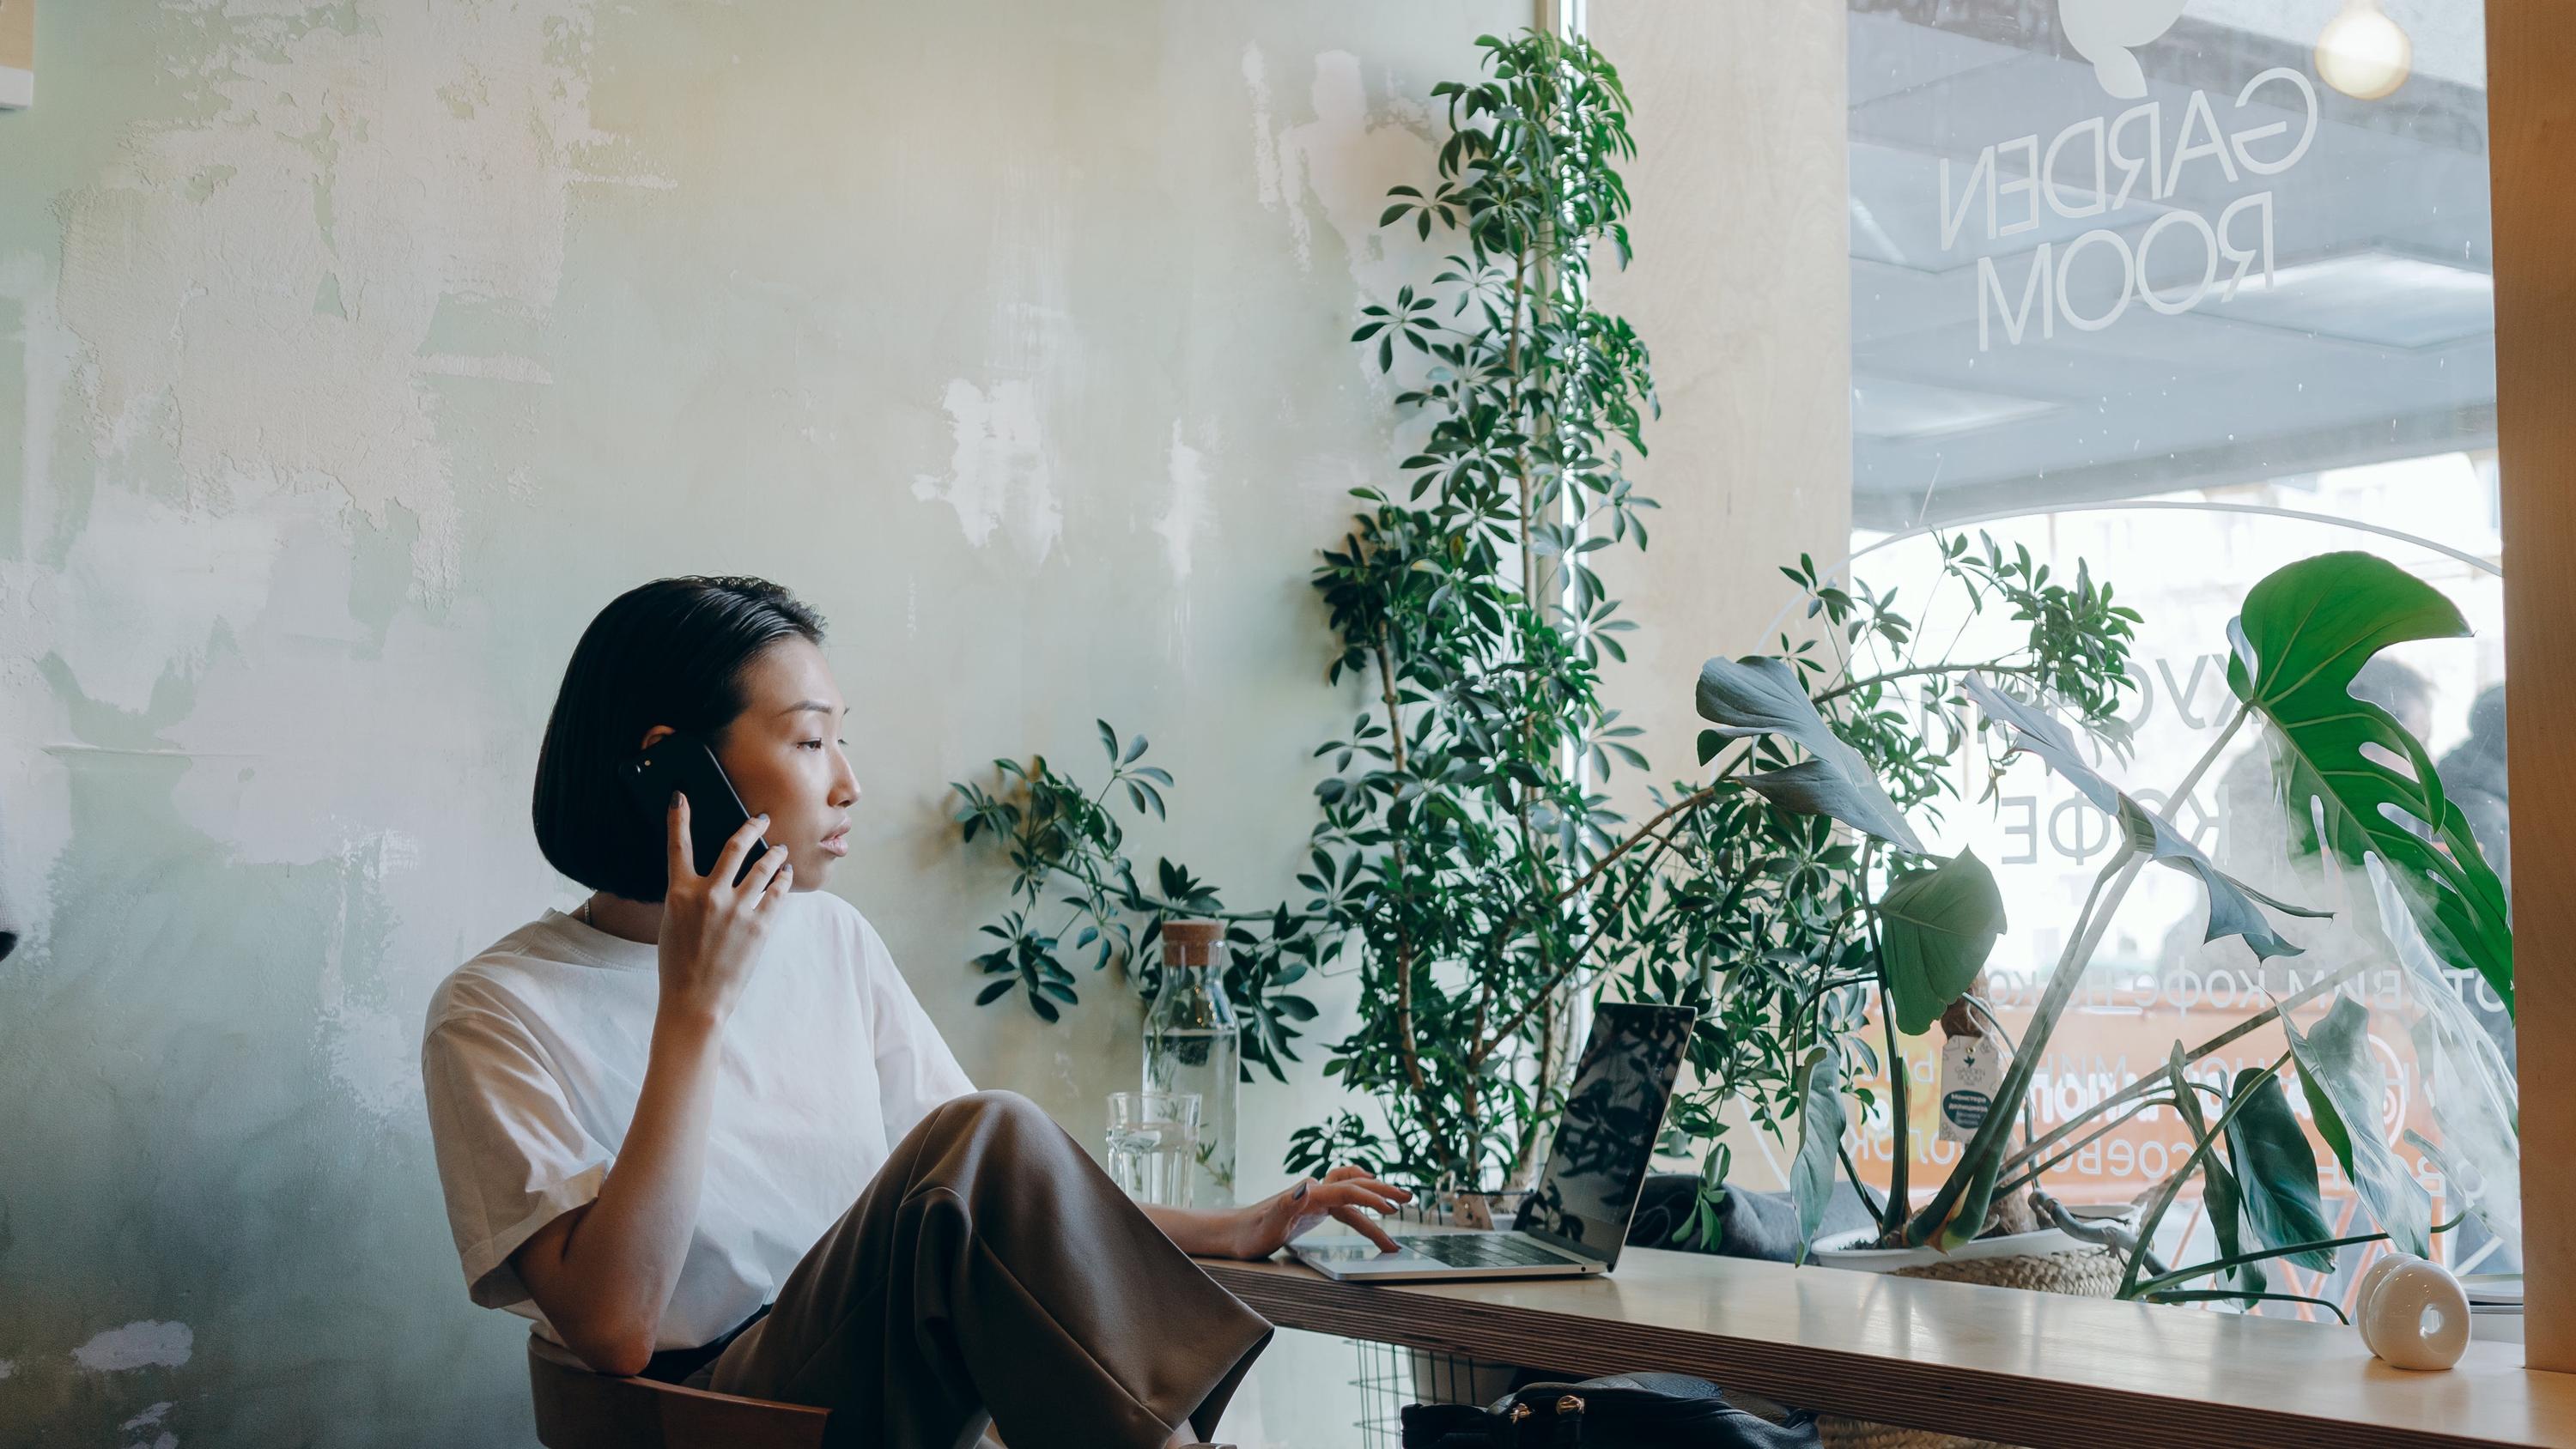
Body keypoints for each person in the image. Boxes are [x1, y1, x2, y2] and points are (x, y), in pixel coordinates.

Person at [421, 576, 1410, 1449]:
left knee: (984, 1130)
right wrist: (694, 1008)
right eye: (811, 740)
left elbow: (994, 1202)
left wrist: (1225, 1227)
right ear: (671, 768)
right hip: (727, 1419)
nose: (850, 783)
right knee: (986, 1125)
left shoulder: (832, 940)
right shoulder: (497, 1009)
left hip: (894, 1378)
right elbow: (614, 1325)